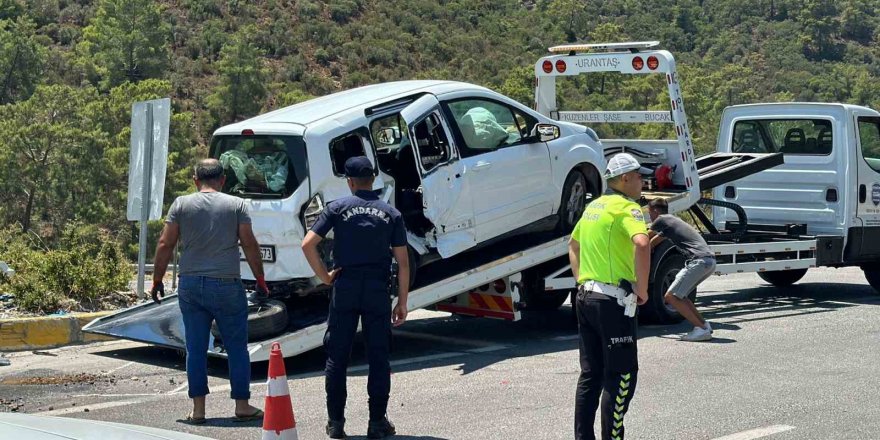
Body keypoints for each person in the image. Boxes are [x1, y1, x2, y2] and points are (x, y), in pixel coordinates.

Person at [301, 156, 410, 439]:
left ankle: (336, 423)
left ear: (349, 182)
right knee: (379, 357)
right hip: (376, 290)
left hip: (345, 287)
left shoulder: (337, 208)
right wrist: (403, 301)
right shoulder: (391, 214)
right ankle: (377, 423)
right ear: (372, 179)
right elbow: (403, 261)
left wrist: (325, 277)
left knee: (337, 358)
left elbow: (308, 244)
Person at [150, 158, 266, 424]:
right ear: (223, 180)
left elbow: (165, 242)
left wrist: (157, 279)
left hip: (190, 284)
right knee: (237, 347)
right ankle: (242, 405)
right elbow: (249, 244)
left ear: (195, 180)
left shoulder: (181, 204)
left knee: (196, 347)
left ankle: (199, 410)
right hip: (226, 284)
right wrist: (260, 278)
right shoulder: (236, 205)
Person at [569, 153, 652, 440]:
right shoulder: (627, 208)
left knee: (591, 374)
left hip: (585, 297)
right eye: (639, 176)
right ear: (625, 178)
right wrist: (642, 289)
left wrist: (582, 279)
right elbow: (642, 243)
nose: (643, 180)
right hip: (613, 303)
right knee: (622, 376)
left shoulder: (594, 206)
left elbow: (573, 243)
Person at [647, 198, 716, 342]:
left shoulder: (661, 219)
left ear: (655, 210)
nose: (650, 217)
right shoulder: (672, 222)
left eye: (649, 213)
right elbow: (652, 243)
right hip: (709, 260)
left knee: (671, 297)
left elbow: (645, 237)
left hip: (698, 261)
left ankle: (701, 329)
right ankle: (704, 326)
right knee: (681, 296)